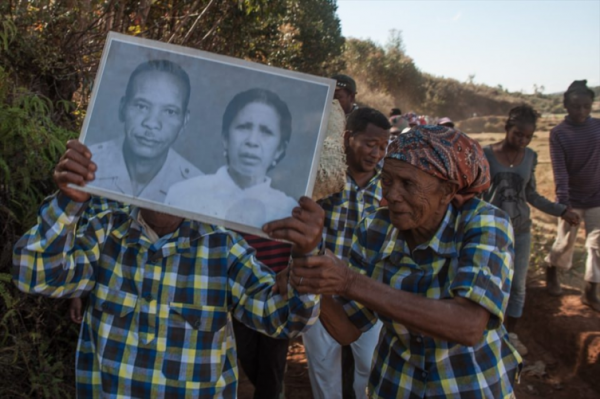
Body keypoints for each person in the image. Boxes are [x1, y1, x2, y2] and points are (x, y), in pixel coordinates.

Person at [13, 139, 324, 398]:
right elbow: (33, 275)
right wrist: (68, 203)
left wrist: (307, 255)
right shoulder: (106, 231)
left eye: (178, 168)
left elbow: (286, 319)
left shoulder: (222, 247)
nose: (167, 181)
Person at [289, 125, 522, 398]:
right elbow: (348, 330)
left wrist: (348, 281)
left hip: (470, 387)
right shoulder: (375, 227)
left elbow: (469, 325)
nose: (391, 196)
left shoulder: (483, 223)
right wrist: (314, 279)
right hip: (396, 387)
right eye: (386, 181)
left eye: (407, 184)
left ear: (446, 191)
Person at [303, 108, 390, 399]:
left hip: (368, 296)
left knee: (370, 367)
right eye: (369, 143)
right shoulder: (325, 179)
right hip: (321, 292)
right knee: (324, 369)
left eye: (382, 147)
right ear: (347, 138)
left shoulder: (388, 186)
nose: (376, 153)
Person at [482, 105, 580, 354]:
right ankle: (483, 332)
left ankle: (509, 335)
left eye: (528, 137)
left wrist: (561, 211)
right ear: (507, 128)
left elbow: (531, 194)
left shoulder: (531, 156)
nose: (522, 140)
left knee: (518, 286)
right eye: (518, 134)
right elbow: (478, 194)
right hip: (491, 231)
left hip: (521, 230)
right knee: (488, 282)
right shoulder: (486, 155)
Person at [165, 88, 297, 229]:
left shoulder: (289, 211)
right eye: (244, 127)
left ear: (279, 149)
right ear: (225, 138)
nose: (252, 141)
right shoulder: (183, 193)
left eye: (266, 131)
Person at [88, 59, 201, 202]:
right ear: (123, 108)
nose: (152, 123)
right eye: (142, 106)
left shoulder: (199, 190)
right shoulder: (86, 163)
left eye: (170, 111)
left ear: (184, 120)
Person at [545, 80, 600, 311]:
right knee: (565, 243)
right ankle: (551, 268)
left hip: (598, 198)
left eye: (587, 106)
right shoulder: (558, 134)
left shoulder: (598, 127)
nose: (582, 112)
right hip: (572, 201)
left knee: (598, 246)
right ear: (566, 105)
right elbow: (560, 171)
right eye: (576, 106)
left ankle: (590, 291)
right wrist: (564, 205)